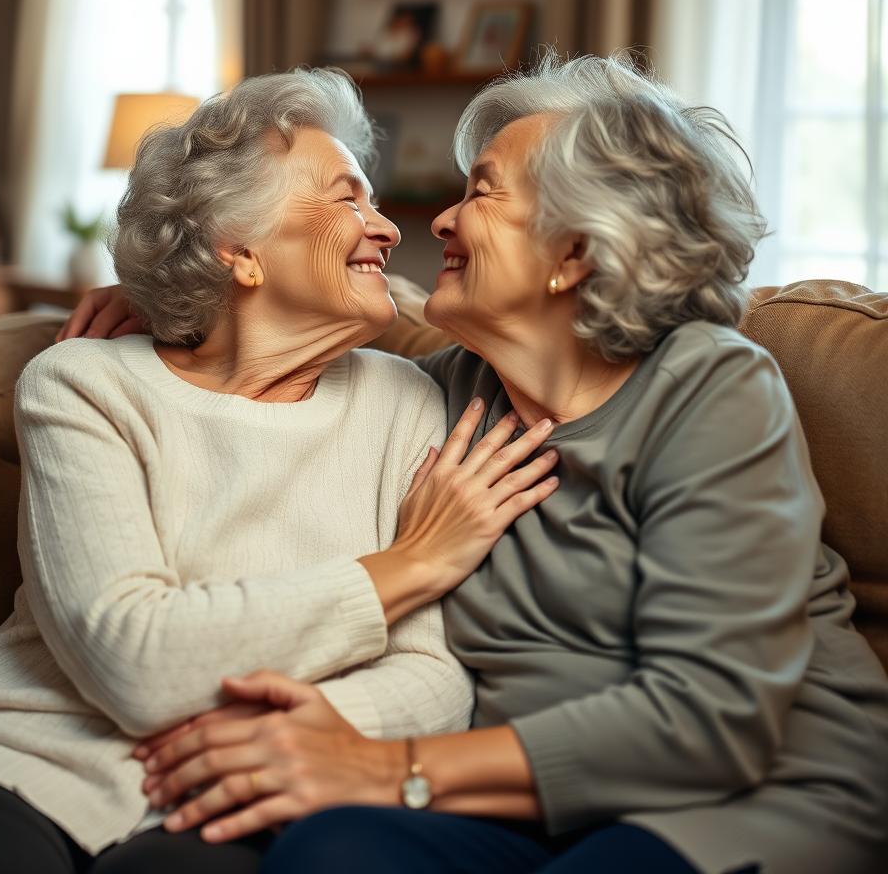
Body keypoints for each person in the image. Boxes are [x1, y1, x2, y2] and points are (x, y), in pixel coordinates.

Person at [57, 53, 888, 874]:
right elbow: (321, 329)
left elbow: (712, 721)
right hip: (522, 811)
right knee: (328, 854)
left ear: (574, 256)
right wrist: (190, 295)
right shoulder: (444, 395)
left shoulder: (708, 388)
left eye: (481, 192)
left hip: (745, 799)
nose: (440, 223)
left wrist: (385, 767)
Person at [0, 68, 561, 874]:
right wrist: (408, 566)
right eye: (347, 200)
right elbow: (135, 659)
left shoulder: (408, 400)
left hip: (240, 785)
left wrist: (286, 734)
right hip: (13, 757)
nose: (388, 229)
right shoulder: (86, 384)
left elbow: (433, 679)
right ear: (240, 247)